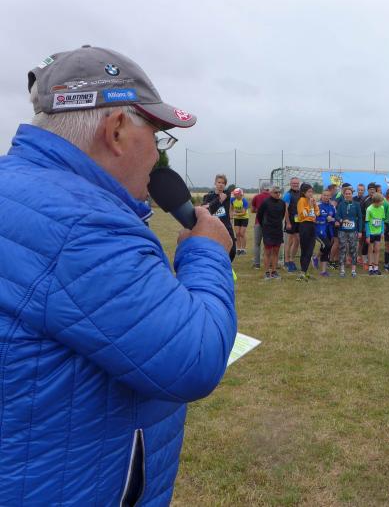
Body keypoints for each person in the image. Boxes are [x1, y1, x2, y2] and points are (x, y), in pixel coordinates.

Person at [0, 45, 236, 505]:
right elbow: (195, 356)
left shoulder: (19, 189)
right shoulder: (84, 225)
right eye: (158, 138)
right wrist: (207, 250)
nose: (157, 158)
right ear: (116, 131)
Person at [203, 174, 236, 261]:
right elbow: (207, 210)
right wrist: (218, 201)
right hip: (213, 227)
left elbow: (209, 207)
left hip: (226, 226)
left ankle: (226, 263)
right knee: (215, 248)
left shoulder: (227, 194)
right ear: (215, 183)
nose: (221, 184)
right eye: (219, 182)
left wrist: (210, 205)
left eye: (223, 183)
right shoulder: (208, 196)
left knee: (232, 249)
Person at [257, 185, 288, 279]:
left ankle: (274, 271)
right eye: (275, 192)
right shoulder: (265, 202)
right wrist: (265, 224)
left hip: (278, 229)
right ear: (271, 193)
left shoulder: (282, 203)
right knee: (268, 252)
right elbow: (259, 215)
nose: (278, 194)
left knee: (276, 251)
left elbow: (282, 215)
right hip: (268, 229)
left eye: (279, 192)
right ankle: (267, 272)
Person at [334, 185, 362, 278]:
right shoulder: (341, 204)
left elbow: (360, 218)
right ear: (344, 194)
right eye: (346, 194)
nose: (348, 195)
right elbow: (337, 215)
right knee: (342, 249)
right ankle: (342, 270)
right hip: (342, 230)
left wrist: (360, 231)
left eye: (349, 193)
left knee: (353, 249)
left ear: (352, 194)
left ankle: (353, 270)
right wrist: (341, 220)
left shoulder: (356, 204)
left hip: (353, 231)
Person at [295, 183, 319, 281]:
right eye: (309, 192)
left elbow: (317, 212)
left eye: (312, 192)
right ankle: (302, 272)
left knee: (310, 249)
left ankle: (305, 271)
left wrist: (314, 206)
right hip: (304, 225)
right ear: (304, 192)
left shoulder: (312, 200)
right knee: (305, 249)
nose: (311, 194)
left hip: (312, 225)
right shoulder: (301, 200)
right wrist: (310, 206)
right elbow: (303, 214)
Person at [282, 177, 302, 272]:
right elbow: (285, 210)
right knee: (290, 241)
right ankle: (287, 260)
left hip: (299, 221)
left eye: (297, 183)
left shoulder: (301, 194)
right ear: (290, 184)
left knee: (297, 241)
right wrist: (288, 222)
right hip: (291, 221)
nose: (295, 185)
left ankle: (291, 259)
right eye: (293, 183)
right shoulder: (288, 195)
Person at [315, 189, 336, 277]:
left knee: (327, 247)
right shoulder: (317, 206)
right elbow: (314, 217)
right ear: (321, 196)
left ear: (330, 197)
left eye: (328, 195)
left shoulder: (332, 207)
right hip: (320, 230)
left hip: (329, 230)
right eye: (324, 195)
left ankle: (323, 271)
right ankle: (316, 258)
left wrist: (333, 219)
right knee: (326, 245)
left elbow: (336, 218)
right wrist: (324, 218)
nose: (326, 197)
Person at [365, 193, 386, 275]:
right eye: (381, 201)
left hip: (378, 232)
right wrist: (367, 235)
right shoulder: (369, 209)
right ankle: (370, 267)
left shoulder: (382, 208)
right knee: (370, 250)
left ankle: (376, 267)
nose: (382, 202)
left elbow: (382, 220)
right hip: (371, 233)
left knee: (377, 249)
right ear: (376, 201)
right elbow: (367, 222)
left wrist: (382, 232)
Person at [251, 181, 270, 268]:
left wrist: (259, 211)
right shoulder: (272, 197)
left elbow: (252, 210)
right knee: (268, 244)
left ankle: (257, 264)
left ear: (261, 188)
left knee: (257, 244)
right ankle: (269, 263)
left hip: (258, 222)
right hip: (270, 223)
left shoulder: (256, 197)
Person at [231, 187, 249, 255]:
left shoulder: (244, 201)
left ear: (240, 194)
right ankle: (238, 249)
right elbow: (231, 208)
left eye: (236, 194)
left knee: (242, 233)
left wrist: (235, 213)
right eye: (234, 194)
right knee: (237, 233)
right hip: (237, 218)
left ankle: (243, 249)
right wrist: (231, 214)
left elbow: (243, 213)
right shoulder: (232, 200)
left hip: (244, 218)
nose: (235, 195)